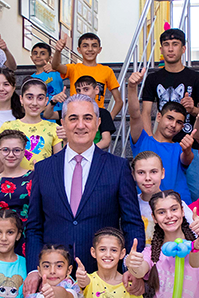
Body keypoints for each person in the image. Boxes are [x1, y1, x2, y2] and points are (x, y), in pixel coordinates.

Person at [25, 94, 145, 283]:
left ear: (98, 123)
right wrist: (34, 270)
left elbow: (132, 223)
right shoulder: (43, 169)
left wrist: (132, 268)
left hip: (104, 278)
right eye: (73, 118)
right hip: (53, 280)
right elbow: (34, 227)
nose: (80, 125)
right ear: (63, 123)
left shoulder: (118, 167)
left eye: (87, 118)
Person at [141, 28, 199, 202]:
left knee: (196, 194)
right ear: (161, 49)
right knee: (161, 193)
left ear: (183, 48)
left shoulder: (195, 77)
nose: (170, 49)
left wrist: (192, 109)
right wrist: (149, 140)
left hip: (190, 145)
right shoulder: (153, 78)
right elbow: (146, 112)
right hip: (162, 145)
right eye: (166, 45)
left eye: (175, 44)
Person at [129, 69, 193, 203]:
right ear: (159, 116)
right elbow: (135, 115)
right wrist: (132, 88)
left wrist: (187, 149)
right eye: (169, 118)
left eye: (179, 122)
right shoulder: (142, 140)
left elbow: (187, 159)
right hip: (148, 205)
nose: (173, 125)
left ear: (182, 127)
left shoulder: (179, 147)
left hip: (178, 204)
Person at [0, 78, 63, 173]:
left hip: (43, 180)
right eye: (29, 97)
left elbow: (59, 166)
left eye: (40, 98)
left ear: (46, 101)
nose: (34, 103)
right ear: (21, 99)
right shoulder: (8, 127)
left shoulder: (53, 128)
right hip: (14, 181)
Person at [0, 130, 33, 256]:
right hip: (0, 242)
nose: (11, 154)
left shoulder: (35, 177)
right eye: (5, 150)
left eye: (16, 150)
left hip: (29, 240)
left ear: (24, 152)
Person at [52, 33, 123, 118]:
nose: (90, 49)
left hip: (96, 116)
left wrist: (109, 118)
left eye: (94, 46)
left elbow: (119, 101)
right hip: (75, 114)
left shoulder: (107, 71)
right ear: (79, 50)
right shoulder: (73, 68)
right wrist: (58, 51)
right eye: (85, 46)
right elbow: (55, 66)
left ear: (99, 49)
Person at [131, 151, 193, 245]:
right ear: (133, 175)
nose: (147, 178)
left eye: (153, 172)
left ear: (162, 173)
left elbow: (195, 235)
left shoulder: (176, 204)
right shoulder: (131, 205)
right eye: (141, 172)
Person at [44, 75, 116, 150]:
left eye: (86, 89)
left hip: (93, 154)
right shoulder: (70, 110)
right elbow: (48, 115)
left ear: (97, 90)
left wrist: (87, 152)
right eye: (78, 90)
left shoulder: (103, 113)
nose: (82, 93)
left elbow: (106, 141)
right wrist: (53, 101)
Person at [30, 42, 64, 121]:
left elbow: (62, 67)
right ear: (31, 57)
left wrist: (54, 67)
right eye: (35, 53)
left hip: (58, 116)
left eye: (42, 53)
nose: (38, 56)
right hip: (40, 118)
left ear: (50, 58)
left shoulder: (56, 72)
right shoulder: (30, 79)